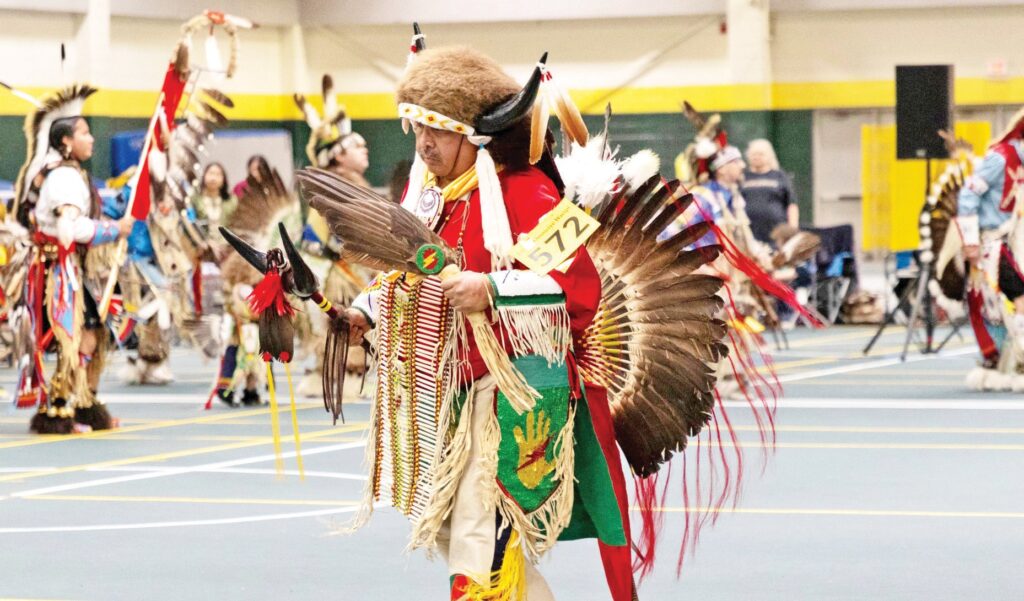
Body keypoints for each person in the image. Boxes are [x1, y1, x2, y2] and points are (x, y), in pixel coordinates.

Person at [324, 41, 625, 600]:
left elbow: (579, 287)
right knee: (453, 529)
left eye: (437, 131)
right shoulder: (431, 197)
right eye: (417, 129)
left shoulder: (529, 192)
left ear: (476, 136)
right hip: (448, 389)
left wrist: (490, 288)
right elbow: (406, 274)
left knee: (478, 538)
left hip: (511, 389)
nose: (424, 144)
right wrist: (362, 312)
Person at [12, 85, 133, 433]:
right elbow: (71, 229)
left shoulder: (68, 172)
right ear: (66, 141)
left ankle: (83, 403)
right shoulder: (63, 176)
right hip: (58, 272)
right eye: (84, 133)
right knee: (74, 337)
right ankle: (58, 409)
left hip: (68, 269)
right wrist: (113, 230)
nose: (91, 139)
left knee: (90, 334)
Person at [956, 108, 1024, 390]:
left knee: (1006, 305)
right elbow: (968, 194)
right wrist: (971, 241)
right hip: (991, 243)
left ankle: (1008, 362)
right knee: (1018, 298)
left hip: (1011, 239)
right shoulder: (1000, 157)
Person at [741, 139, 799, 244]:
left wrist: (792, 229)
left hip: (776, 232)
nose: (756, 157)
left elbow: (791, 204)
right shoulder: (742, 177)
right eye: (753, 154)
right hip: (749, 233)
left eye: (760, 154)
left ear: (769, 156)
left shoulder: (779, 176)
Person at [190, 162, 237, 256]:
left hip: (227, 249)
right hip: (202, 249)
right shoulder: (195, 199)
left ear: (224, 179)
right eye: (211, 173)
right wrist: (204, 242)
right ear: (204, 176)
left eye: (218, 174)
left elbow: (236, 226)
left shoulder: (231, 200)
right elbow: (190, 223)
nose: (213, 178)